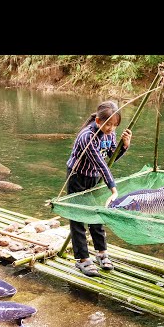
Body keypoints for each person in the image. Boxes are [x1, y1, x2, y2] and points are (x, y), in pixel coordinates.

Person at [65, 100, 132, 277]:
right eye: (108, 124)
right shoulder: (87, 136)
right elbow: (101, 164)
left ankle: (101, 253)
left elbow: (111, 158)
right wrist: (113, 188)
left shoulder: (110, 135)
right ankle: (82, 259)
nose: (111, 128)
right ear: (98, 121)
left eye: (115, 125)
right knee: (78, 217)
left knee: (97, 214)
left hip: (94, 177)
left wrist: (124, 147)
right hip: (77, 177)